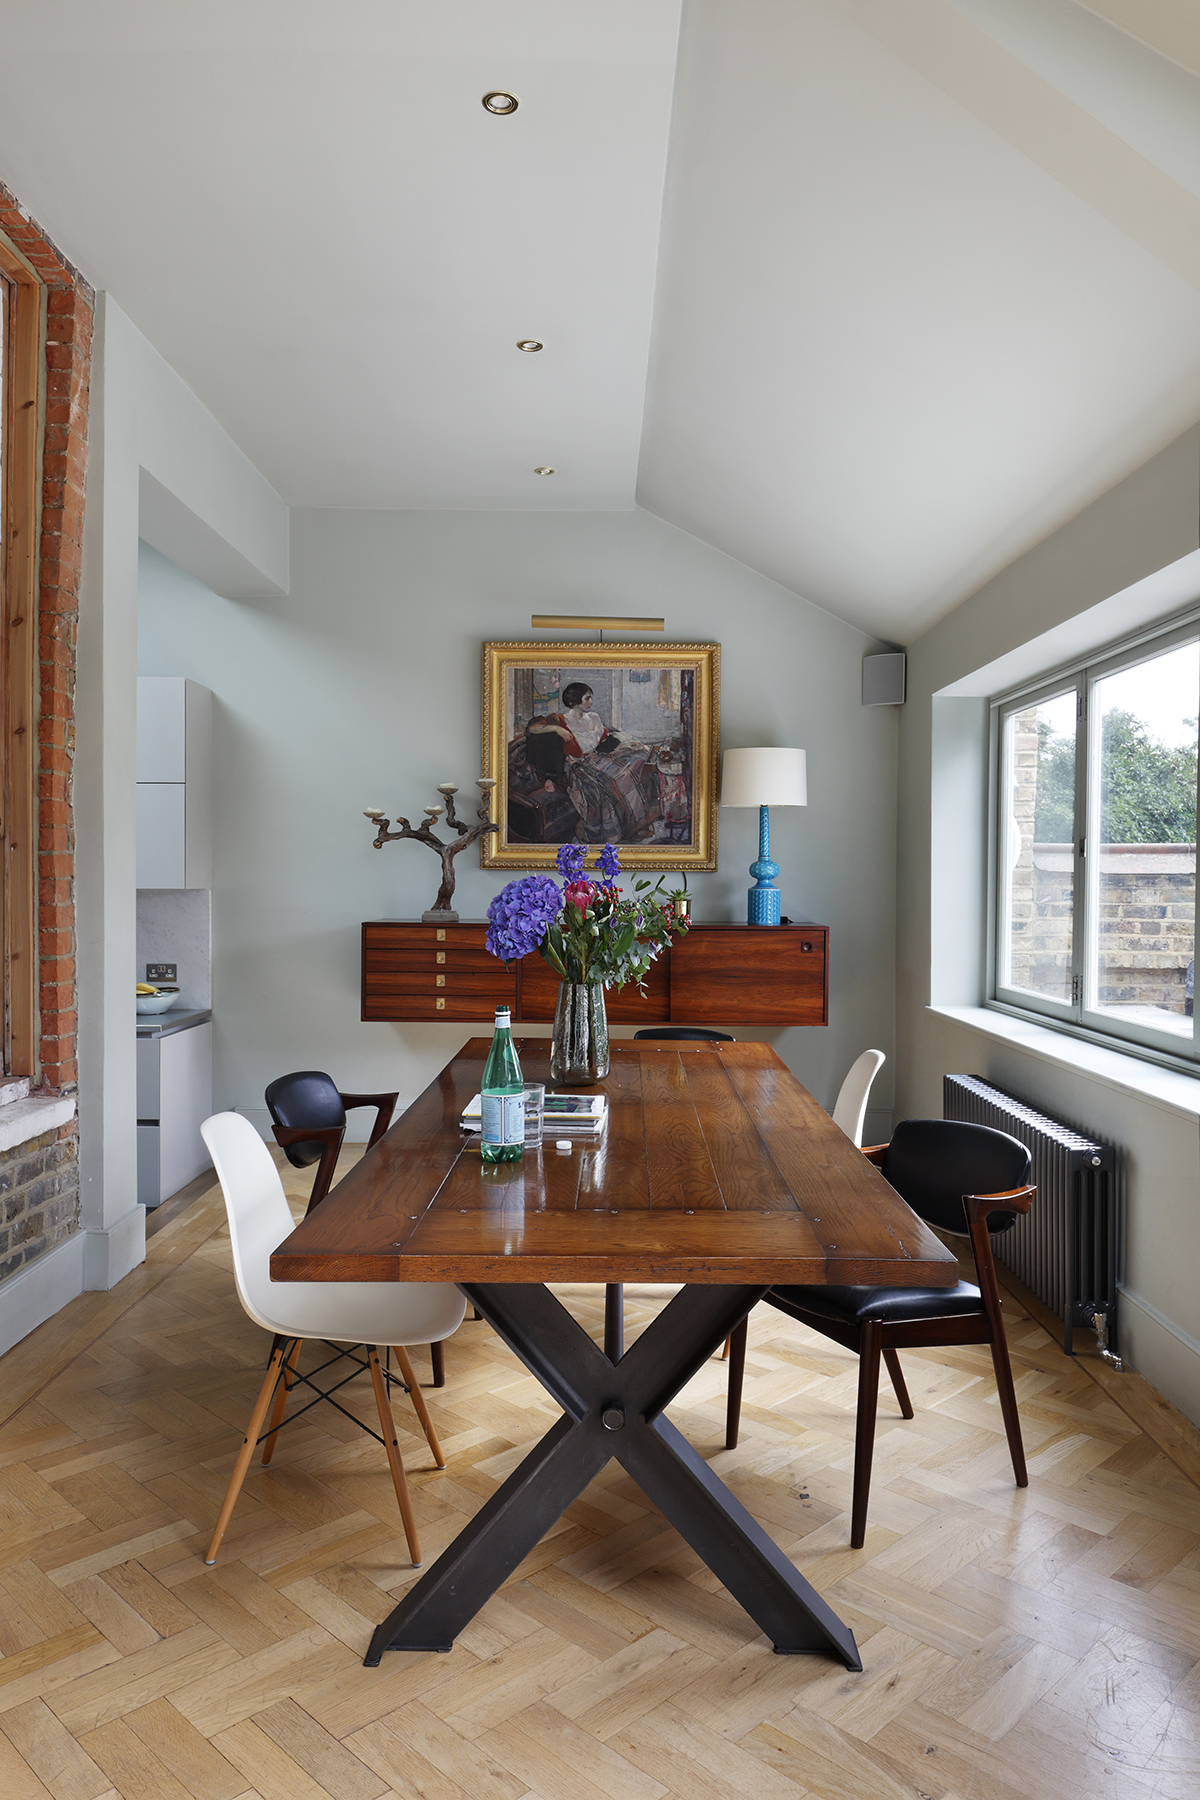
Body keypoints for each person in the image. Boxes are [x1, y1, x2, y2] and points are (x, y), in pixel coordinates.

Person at [523, 682, 662, 842]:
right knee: (610, 783)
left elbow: (604, 740)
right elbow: (533, 728)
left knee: (639, 763)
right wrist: (556, 729)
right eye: (587, 698)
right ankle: (621, 829)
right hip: (582, 765)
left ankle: (639, 823)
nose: (591, 702)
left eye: (591, 698)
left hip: (602, 757)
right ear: (575, 700)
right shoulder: (560, 721)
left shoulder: (594, 717)